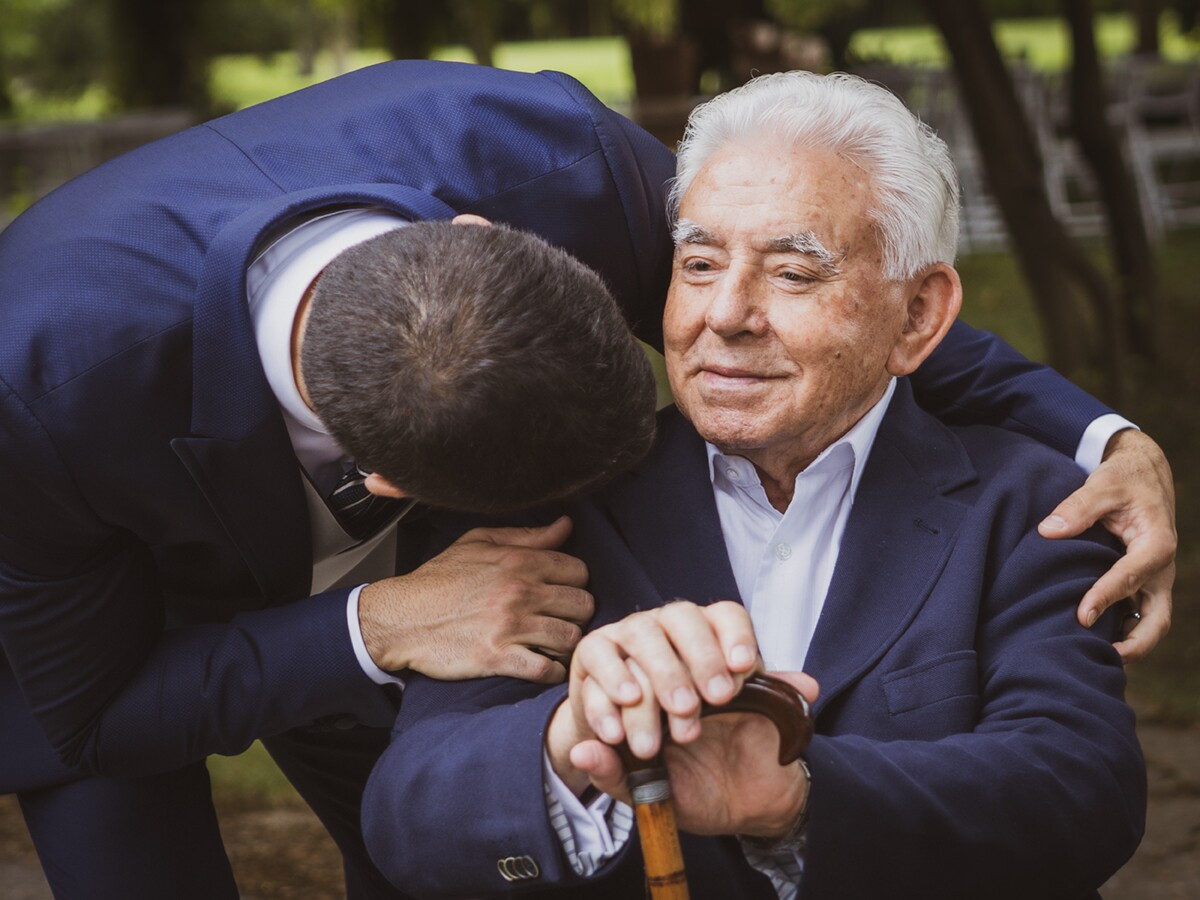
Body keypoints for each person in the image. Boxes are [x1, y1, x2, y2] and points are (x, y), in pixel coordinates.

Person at [0, 59, 1169, 898]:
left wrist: (1100, 436)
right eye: (695, 267)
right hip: (105, 628)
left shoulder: (549, 155)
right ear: (391, 487)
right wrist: (382, 628)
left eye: (764, 276)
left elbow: (848, 271)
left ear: (492, 235)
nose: (715, 327)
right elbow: (92, 714)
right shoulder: (32, 380)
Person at [361, 71, 1148, 899]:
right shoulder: (554, 501)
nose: (725, 313)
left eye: (793, 273)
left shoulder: (1029, 504)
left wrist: (800, 802)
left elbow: (1083, 793)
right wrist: (567, 740)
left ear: (917, 315)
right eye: (698, 263)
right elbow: (408, 818)